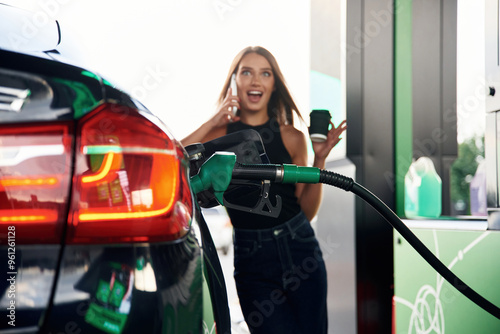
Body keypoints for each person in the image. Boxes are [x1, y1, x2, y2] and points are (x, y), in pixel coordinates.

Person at [182, 46, 347, 334]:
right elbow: (173, 158)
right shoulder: (219, 135)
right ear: (235, 81)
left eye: (265, 73)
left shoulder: (293, 137)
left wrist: (319, 159)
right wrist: (214, 120)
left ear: (274, 84)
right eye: (246, 72)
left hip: (300, 247)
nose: (255, 81)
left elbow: (305, 212)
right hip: (251, 258)